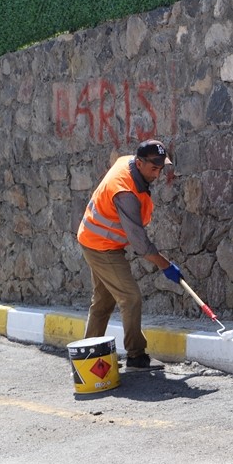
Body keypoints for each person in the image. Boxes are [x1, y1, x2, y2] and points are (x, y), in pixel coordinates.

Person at [77, 139, 183, 370]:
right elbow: (140, 244)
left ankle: (88, 358)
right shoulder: (125, 193)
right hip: (101, 246)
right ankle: (136, 356)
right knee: (131, 297)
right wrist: (165, 265)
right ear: (140, 162)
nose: (157, 174)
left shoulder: (129, 162)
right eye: (153, 168)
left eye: (161, 168)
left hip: (94, 238)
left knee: (103, 301)